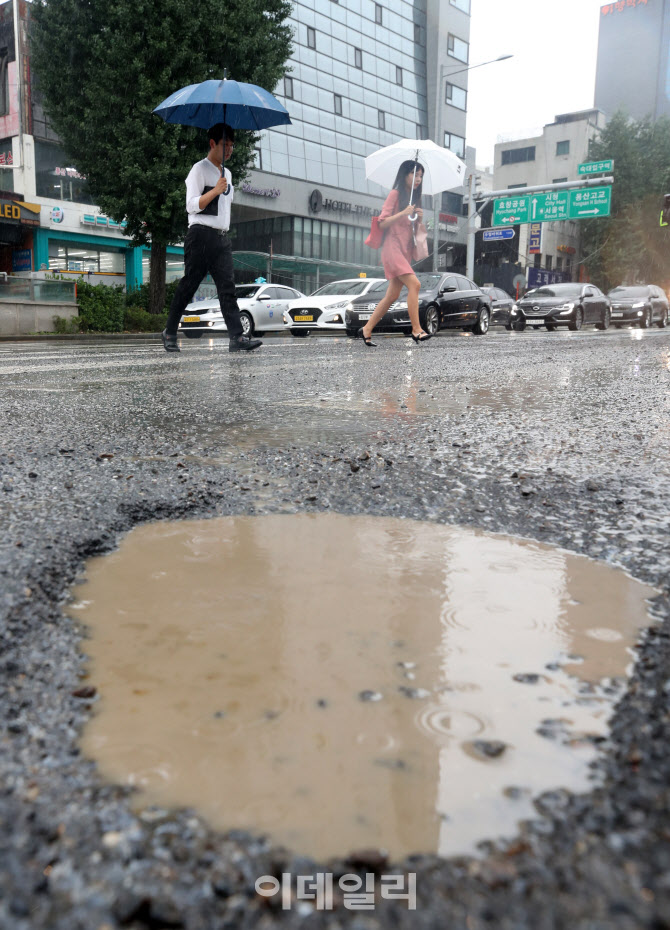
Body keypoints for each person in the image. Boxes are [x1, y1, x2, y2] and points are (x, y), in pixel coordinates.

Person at [162, 123, 262, 353]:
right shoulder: (199, 169)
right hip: (200, 235)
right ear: (212, 144)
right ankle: (169, 331)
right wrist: (215, 190)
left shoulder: (227, 174)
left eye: (231, 146)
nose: (228, 150)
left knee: (227, 288)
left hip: (221, 238)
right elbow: (191, 206)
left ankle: (237, 337)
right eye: (224, 145)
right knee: (189, 285)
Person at [359, 160, 431, 347]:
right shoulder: (395, 194)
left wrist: (419, 219)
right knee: (415, 284)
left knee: (391, 296)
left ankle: (367, 329)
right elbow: (381, 223)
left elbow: (413, 231)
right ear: (405, 175)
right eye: (415, 174)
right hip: (391, 249)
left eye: (421, 176)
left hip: (404, 250)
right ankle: (416, 329)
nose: (418, 179)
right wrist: (402, 213)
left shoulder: (413, 199)